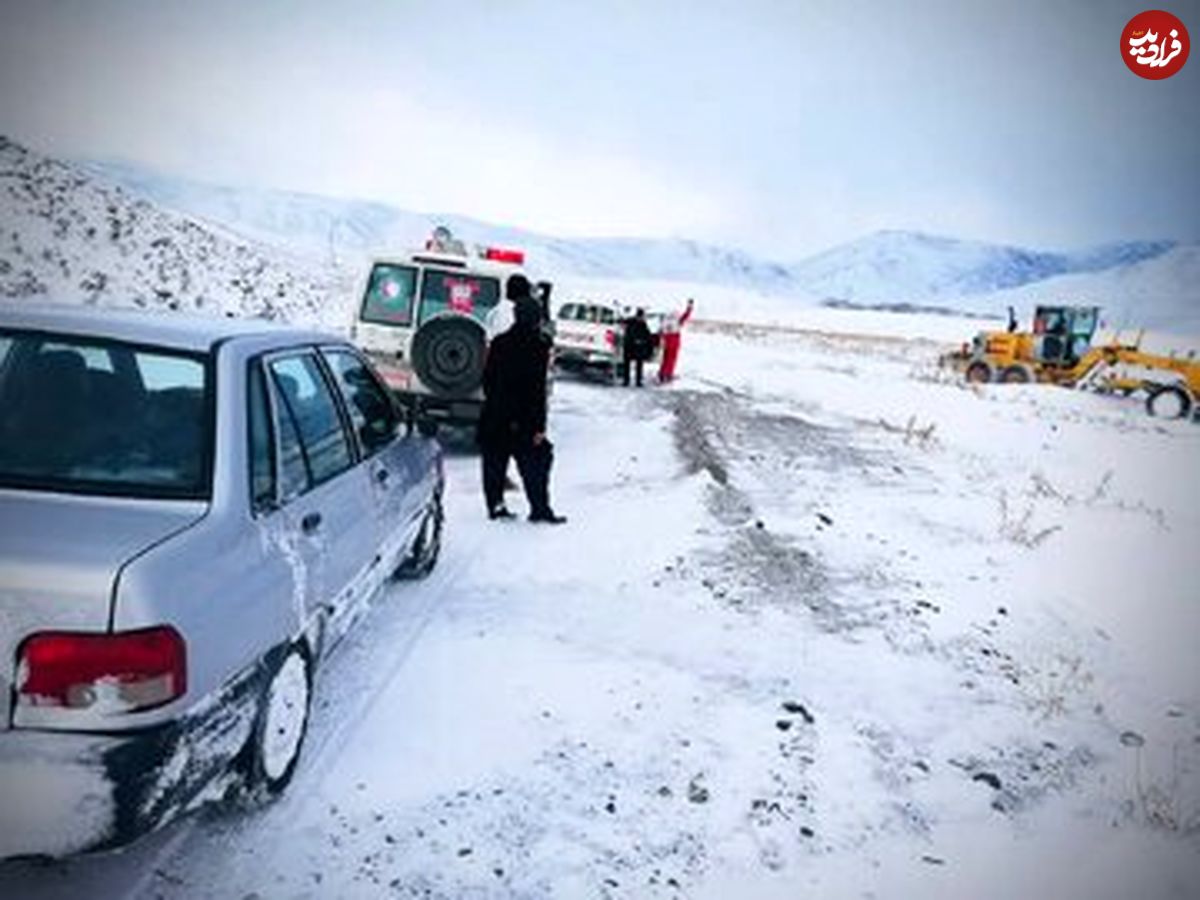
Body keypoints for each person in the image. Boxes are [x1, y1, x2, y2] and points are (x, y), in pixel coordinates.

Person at [477, 274, 566, 524]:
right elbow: (536, 390)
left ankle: (496, 506)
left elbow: (488, 379)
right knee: (536, 462)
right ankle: (540, 509)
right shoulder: (538, 347)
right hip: (524, 419)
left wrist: (494, 402)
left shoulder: (499, 342)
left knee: (494, 462)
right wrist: (538, 426)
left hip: (496, 414)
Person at [657, 298, 694, 383]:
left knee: (665, 358)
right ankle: (668, 374)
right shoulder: (677, 322)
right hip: (674, 342)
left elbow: (660, 333)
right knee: (672, 359)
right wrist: (689, 307)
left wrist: (661, 341)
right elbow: (685, 316)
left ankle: (662, 374)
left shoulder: (664, 322)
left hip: (666, 342)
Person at [622, 308, 654, 387]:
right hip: (630, 346)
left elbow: (647, 336)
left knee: (639, 364)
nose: (642, 318)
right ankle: (627, 380)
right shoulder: (632, 322)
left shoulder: (643, 324)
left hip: (638, 348)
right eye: (641, 316)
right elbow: (628, 331)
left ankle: (637, 381)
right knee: (627, 364)